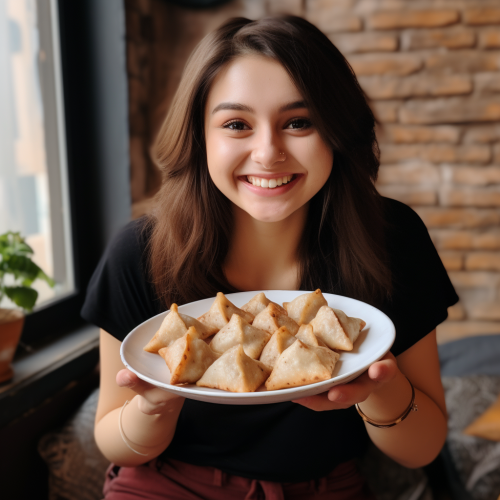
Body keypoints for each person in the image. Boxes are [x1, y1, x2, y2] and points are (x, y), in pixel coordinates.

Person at [81, 15, 458, 500]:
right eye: (236, 124)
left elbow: (422, 449)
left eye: (298, 122)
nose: (268, 152)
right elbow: (114, 443)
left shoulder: (391, 239)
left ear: (337, 130)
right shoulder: (139, 253)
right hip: (168, 486)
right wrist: (153, 409)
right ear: (199, 135)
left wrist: (379, 389)